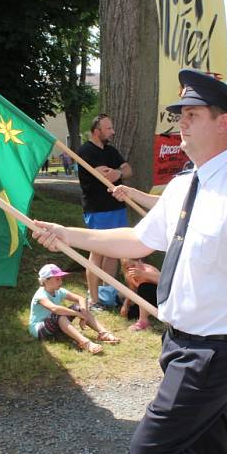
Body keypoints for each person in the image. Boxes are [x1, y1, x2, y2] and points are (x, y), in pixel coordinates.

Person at [33, 69, 227, 454]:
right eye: (179, 114)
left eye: (191, 114)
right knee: (207, 451)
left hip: (216, 350)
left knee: (152, 453)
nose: (180, 122)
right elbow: (138, 238)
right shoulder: (187, 183)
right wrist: (66, 235)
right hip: (180, 341)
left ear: (223, 122)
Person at [77, 114, 133, 310]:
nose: (112, 132)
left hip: (117, 206)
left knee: (114, 252)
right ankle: (93, 299)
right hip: (98, 209)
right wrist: (114, 172)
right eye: (108, 128)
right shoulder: (85, 151)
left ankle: (107, 294)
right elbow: (101, 174)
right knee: (98, 251)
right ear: (96, 131)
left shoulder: (110, 150)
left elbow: (127, 170)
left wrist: (118, 172)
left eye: (112, 128)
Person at [28, 263, 120, 354]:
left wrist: (83, 315)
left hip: (54, 324)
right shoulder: (40, 295)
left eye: (60, 278)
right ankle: (85, 343)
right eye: (57, 279)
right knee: (59, 315)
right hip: (39, 329)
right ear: (46, 281)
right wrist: (77, 314)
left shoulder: (59, 291)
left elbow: (81, 299)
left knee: (78, 307)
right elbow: (55, 309)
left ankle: (103, 333)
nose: (60, 281)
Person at [119, 258, 159, 331]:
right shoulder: (129, 275)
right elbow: (132, 290)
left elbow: (164, 283)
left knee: (143, 287)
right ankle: (147, 314)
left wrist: (142, 274)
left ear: (140, 262)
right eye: (128, 268)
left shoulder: (148, 270)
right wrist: (125, 305)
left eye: (133, 265)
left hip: (160, 299)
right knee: (130, 314)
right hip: (147, 300)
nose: (131, 269)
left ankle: (143, 322)